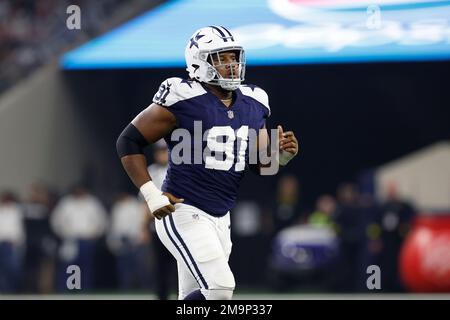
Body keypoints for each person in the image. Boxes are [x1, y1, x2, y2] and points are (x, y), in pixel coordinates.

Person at [116, 26, 299, 300]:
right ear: (199, 61)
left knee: (196, 295)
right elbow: (128, 141)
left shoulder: (254, 101)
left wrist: (281, 156)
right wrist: (151, 194)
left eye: (234, 57)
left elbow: (260, 164)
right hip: (183, 209)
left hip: (221, 215)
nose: (231, 65)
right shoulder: (183, 96)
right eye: (221, 58)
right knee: (220, 289)